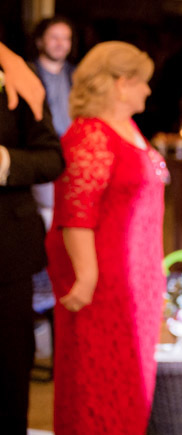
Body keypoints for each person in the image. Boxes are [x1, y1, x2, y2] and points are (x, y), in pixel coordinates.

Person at [46, 41, 169, 433]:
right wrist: (86, 277)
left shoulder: (127, 128)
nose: (147, 90)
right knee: (96, 385)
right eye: (142, 81)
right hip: (104, 284)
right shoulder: (91, 135)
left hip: (137, 280)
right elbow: (77, 211)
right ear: (120, 83)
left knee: (131, 383)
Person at [0, 51, 64, 433]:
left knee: (9, 371)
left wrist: (5, 162)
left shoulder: (16, 79)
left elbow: (52, 158)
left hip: (7, 254)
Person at [32, 16, 76, 138]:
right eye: (54, 37)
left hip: (72, 142)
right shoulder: (29, 73)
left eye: (65, 38)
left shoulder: (77, 75)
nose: (60, 43)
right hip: (43, 143)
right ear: (39, 41)